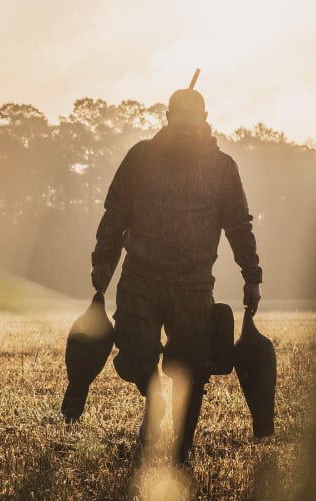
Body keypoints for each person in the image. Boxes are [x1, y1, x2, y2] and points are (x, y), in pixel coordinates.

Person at [90, 87, 262, 466]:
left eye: (192, 122)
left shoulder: (222, 168)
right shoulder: (140, 158)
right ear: (168, 118)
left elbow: (238, 225)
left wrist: (252, 274)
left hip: (193, 284)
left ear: (204, 119)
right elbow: (115, 212)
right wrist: (103, 262)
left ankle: (183, 445)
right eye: (178, 122)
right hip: (140, 279)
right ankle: (154, 399)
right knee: (134, 357)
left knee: (192, 369)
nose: (185, 129)